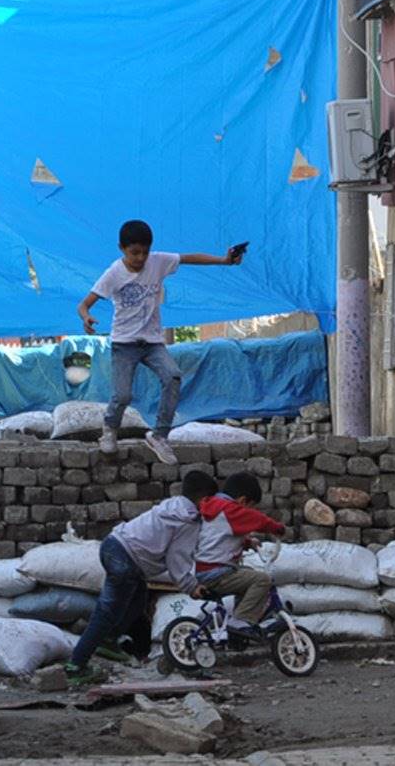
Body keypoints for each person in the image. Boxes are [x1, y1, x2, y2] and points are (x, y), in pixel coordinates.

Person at [77, 220, 243, 465]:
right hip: (125, 343)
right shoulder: (113, 273)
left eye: (144, 252)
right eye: (134, 253)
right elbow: (84, 304)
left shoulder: (158, 261)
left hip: (153, 341)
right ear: (122, 248)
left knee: (172, 376)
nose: (140, 258)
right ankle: (109, 430)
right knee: (123, 395)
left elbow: (189, 258)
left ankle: (159, 436)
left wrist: (224, 260)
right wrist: (86, 317)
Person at [65, 469, 219, 686]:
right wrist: (190, 586)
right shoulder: (188, 521)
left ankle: (109, 640)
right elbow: (177, 560)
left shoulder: (173, 506)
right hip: (127, 561)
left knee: (138, 597)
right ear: (205, 500)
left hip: (113, 545)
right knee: (107, 612)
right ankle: (76, 665)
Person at [195, 472, 287, 642]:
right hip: (217, 573)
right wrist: (277, 528)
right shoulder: (231, 510)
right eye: (250, 506)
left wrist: (246, 543)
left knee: (247, 574)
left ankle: (238, 628)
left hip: (205, 570)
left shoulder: (214, 507)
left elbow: (219, 537)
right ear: (243, 501)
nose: (249, 510)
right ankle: (240, 621)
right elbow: (258, 520)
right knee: (262, 580)